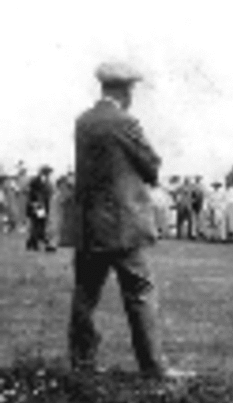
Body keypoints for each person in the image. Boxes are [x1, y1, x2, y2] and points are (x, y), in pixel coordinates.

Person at [68, 62, 189, 379]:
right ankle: (153, 366)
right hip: (122, 224)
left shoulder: (84, 121)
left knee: (85, 294)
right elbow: (151, 165)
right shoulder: (125, 122)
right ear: (126, 90)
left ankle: (82, 364)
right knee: (140, 292)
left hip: (89, 225)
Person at [26, 165, 56, 252]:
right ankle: (34, 243)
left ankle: (31, 242)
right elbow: (35, 194)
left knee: (38, 223)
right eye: (48, 172)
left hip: (40, 204)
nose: (49, 174)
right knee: (37, 223)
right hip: (37, 205)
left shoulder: (45, 181)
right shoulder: (37, 180)